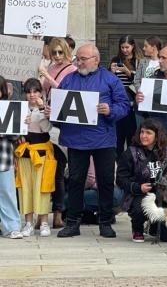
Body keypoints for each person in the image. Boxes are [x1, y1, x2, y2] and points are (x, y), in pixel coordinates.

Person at [50, 44, 130, 238]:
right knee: (76, 181)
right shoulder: (69, 79)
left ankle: (105, 222)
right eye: (77, 58)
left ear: (96, 59)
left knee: (105, 182)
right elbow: (58, 107)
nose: (79, 62)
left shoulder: (110, 79)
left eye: (83, 59)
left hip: (103, 139)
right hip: (76, 140)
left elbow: (124, 105)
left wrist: (110, 111)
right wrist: (51, 112)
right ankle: (72, 223)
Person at [116, 119, 167, 243]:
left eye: (148, 133)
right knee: (139, 209)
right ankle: (138, 228)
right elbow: (120, 178)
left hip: (165, 196)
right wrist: (137, 187)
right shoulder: (131, 153)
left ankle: (154, 226)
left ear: (157, 136)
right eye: (142, 132)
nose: (144, 136)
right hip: (140, 195)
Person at [38, 37, 75, 229]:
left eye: (61, 52)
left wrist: (47, 76)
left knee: (59, 171)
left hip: (61, 122)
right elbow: (42, 91)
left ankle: (58, 214)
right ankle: (40, 213)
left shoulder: (71, 70)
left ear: (67, 51)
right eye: (54, 53)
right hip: (46, 116)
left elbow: (65, 93)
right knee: (43, 170)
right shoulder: (49, 67)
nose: (57, 56)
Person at [15, 79, 56, 238]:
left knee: (42, 186)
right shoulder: (20, 109)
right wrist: (21, 126)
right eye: (29, 92)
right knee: (25, 187)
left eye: (35, 91)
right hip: (25, 151)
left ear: (41, 92)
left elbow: (48, 129)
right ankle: (28, 222)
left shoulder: (45, 109)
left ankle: (44, 221)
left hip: (42, 151)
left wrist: (40, 110)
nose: (32, 95)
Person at [0, 76, 25, 239]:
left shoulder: (9, 108)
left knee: (7, 192)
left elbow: (15, 135)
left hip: (4, 157)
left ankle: (12, 226)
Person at [111, 35, 142, 155]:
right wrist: (112, 72)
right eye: (122, 47)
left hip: (132, 102)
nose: (125, 50)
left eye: (127, 47)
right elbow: (110, 81)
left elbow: (140, 81)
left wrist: (128, 72)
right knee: (118, 136)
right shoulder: (116, 60)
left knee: (131, 135)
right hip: (117, 100)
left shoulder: (138, 61)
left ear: (133, 46)